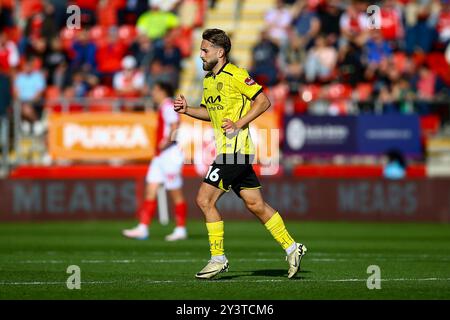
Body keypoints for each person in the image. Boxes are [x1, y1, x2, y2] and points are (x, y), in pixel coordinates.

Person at [174, 28, 307, 280]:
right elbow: (209, 113)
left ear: (220, 52)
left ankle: (218, 258)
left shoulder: (236, 74)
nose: (200, 55)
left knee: (204, 200)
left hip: (235, 152)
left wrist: (239, 123)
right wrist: (187, 110)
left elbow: (263, 101)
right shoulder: (209, 80)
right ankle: (292, 247)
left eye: (205, 50)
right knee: (255, 204)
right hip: (230, 152)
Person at [122, 81, 188, 241]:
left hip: (170, 155)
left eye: (155, 90)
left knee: (175, 192)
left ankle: (181, 229)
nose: (153, 93)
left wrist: (166, 141)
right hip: (160, 156)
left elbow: (175, 124)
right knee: (150, 189)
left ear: (162, 91)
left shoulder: (168, 106)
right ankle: (143, 227)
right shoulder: (164, 106)